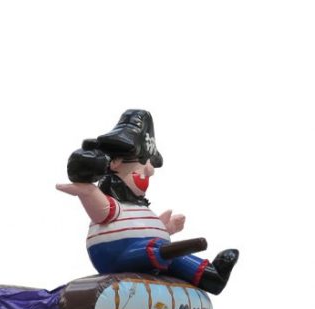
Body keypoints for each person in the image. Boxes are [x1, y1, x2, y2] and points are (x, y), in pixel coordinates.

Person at [56, 109, 238, 294]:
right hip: (122, 255)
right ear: (115, 162)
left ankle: (212, 277)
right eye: (142, 165)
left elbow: (139, 229)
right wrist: (88, 191)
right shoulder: (112, 205)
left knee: (174, 256)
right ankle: (161, 253)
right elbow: (96, 204)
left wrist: (165, 229)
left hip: (155, 254)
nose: (149, 171)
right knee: (161, 250)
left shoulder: (135, 205)